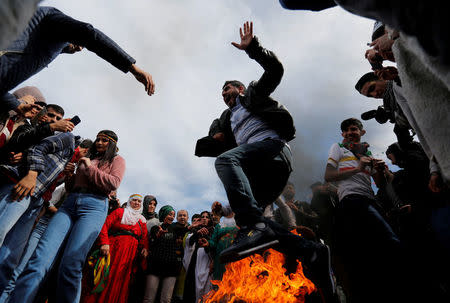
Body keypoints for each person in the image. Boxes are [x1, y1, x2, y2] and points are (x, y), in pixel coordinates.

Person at [195, 21, 295, 262]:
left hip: (274, 151)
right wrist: (216, 136)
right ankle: (307, 250)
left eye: (227, 88)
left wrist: (254, 49)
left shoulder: (252, 96)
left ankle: (253, 225)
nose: (223, 93)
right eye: (221, 92)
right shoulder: (227, 119)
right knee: (256, 222)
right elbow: (218, 136)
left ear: (239, 88)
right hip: (262, 172)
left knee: (224, 161)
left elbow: (275, 70)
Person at [8, 130, 126, 303]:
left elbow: (113, 183)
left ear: (113, 144)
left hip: (94, 206)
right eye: (98, 139)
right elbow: (70, 187)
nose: (99, 142)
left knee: (71, 264)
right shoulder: (88, 158)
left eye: (105, 140)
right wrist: (71, 175)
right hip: (70, 203)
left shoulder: (117, 160)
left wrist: (90, 167)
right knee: (39, 259)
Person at [0, 5, 155, 116]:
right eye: (81, 44)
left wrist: (18, 106)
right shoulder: (49, 19)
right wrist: (132, 67)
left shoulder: (45, 52)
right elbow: (88, 34)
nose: (80, 48)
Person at [324, 118, 405, 303]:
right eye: (346, 131)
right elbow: (328, 176)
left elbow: (378, 184)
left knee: (374, 252)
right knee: (391, 243)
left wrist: (381, 170)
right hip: (351, 200)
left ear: (362, 132)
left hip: (370, 200)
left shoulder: (366, 153)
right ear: (342, 135)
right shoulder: (338, 147)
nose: (350, 133)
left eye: (354, 129)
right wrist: (357, 168)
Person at [81, 194, 148, 303]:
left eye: (139, 201)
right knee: (105, 277)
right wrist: (104, 243)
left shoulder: (142, 221)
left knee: (121, 282)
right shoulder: (119, 212)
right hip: (113, 251)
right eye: (134, 200)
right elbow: (104, 225)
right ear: (129, 201)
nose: (136, 203)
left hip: (129, 257)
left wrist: (145, 248)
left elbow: (144, 239)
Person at [142, 205, 181, 303]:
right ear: (163, 214)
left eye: (173, 215)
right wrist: (158, 236)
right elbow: (151, 243)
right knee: (148, 299)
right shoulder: (155, 228)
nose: (172, 217)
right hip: (155, 266)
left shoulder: (176, 229)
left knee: (166, 300)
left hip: (171, 268)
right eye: (169, 214)